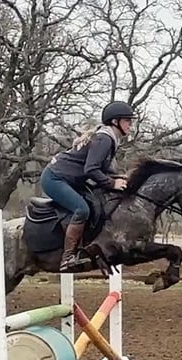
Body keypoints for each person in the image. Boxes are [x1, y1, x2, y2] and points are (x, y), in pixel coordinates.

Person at [39, 100, 137, 272]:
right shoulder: (104, 139)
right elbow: (91, 169)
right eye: (127, 120)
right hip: (54, 179)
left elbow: (104, 167)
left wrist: (122, 177)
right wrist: (112, 183)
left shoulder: (109, 138)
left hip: (68, 179)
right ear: (115, 122)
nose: (131, 124)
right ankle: (67, 257)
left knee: (97, 204)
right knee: (82, 209)